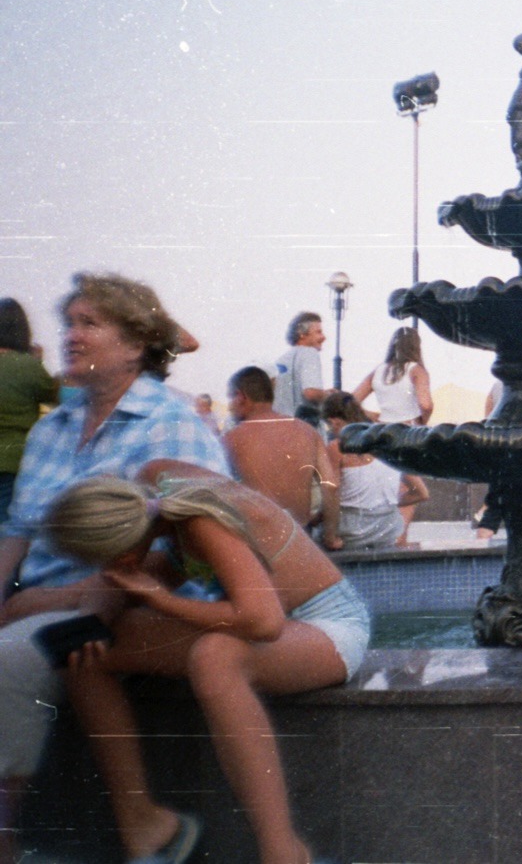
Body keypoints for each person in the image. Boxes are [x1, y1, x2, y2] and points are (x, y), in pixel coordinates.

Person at [0, 273, 228, 863]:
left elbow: (194, 546)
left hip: (132, 603)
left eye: (90, 323)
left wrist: (47, 602)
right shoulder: (51, 429)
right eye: (69, 322)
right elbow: (17, 535)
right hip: (52, 599)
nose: (71, 335)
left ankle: (9, 838)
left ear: (135, 345)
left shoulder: (170, 422)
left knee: (12, 659)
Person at [46, 463, 369, 864]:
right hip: (265, 621)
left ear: (126, 553)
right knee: (88, 651)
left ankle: (284, 853)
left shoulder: (200, 522)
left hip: (327, 624)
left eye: (103, 563)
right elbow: (120, 587)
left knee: (216, 656)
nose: (103, 573)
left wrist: (160, 600)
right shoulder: (154, 489)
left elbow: (263, 622)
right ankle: (144, 824)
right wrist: (93, 622)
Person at [223, 366, 339, 530]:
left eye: (230, 398)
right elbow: (331, 485)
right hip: (299, 537)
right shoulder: (308, 432)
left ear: (241, 397)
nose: (230, 406)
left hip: (255, 540)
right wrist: (331, 535)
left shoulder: (230, 439)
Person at [319, 392, 428, 551]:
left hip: (352, 531)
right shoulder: (388, 443)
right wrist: (380, 506)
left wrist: (330, 537)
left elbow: (331, 490)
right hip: (388, 531)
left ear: (333, 421)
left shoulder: (337, 448)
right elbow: (421, 493)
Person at [0, 298, 58, 530]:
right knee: (7, 532)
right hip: (14, 463)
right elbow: (55, 401)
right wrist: (37, 362)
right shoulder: (28, 366)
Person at [351, 326, 433, 425]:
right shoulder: (417, 371)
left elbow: (351, 401)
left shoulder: (378, 371)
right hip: (408, 430)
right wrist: (421, 422)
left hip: (382, 429)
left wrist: (374, 416)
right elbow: (426, 405)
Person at [274, 311, 328, 423]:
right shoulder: (309, 353)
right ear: (302, 334)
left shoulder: (281, 360)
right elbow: (311, 393)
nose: (324, 337)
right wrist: (331, 396)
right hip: (303, 429)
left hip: (279, 429)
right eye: (318, 332)